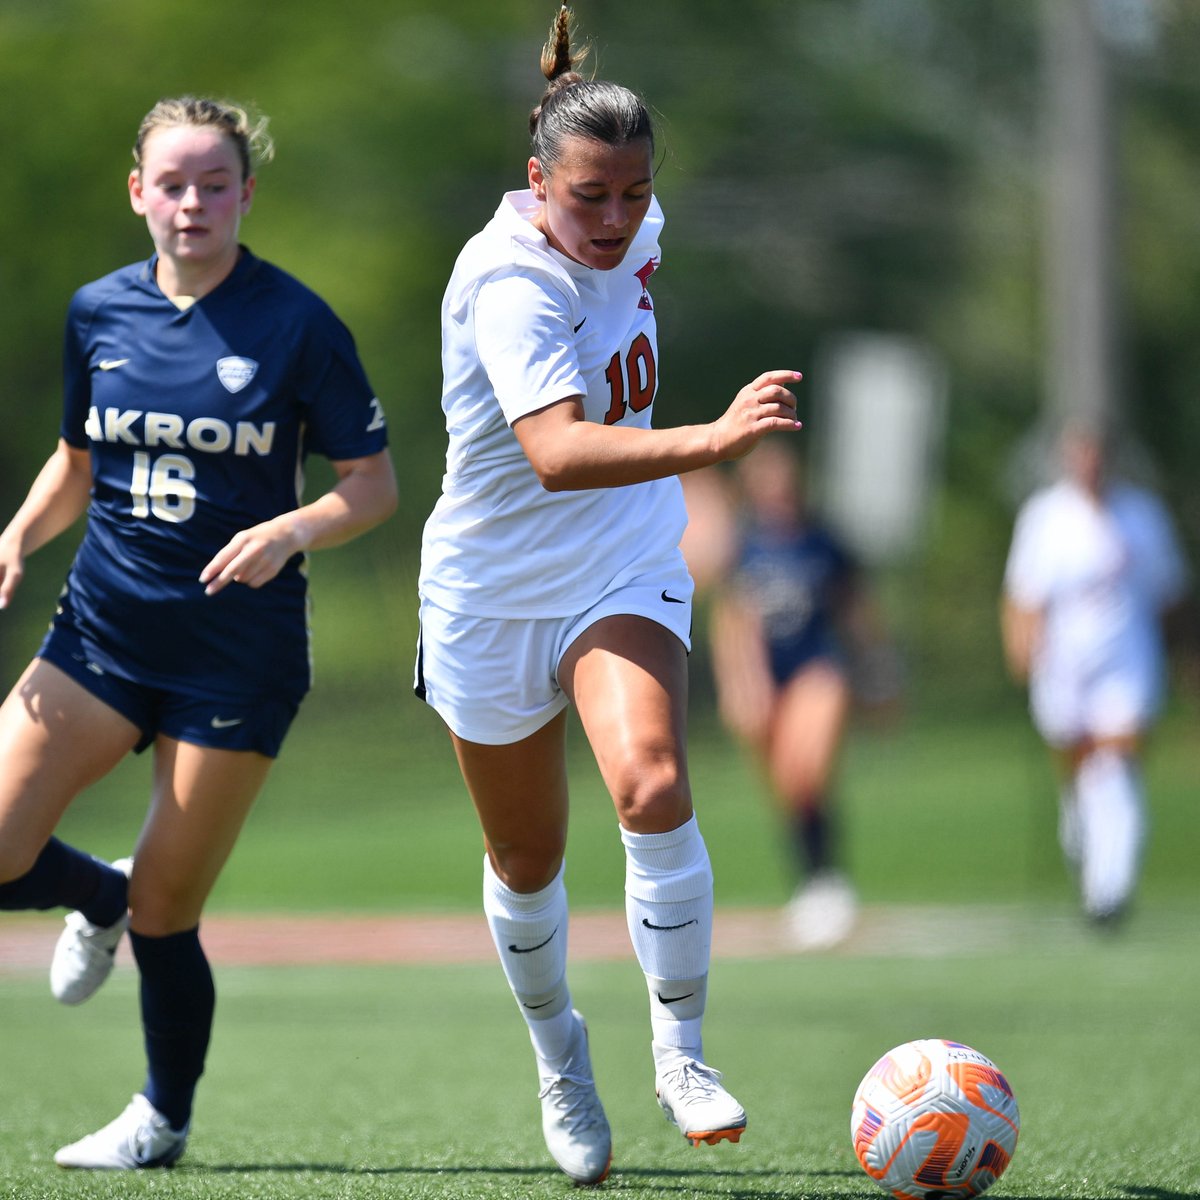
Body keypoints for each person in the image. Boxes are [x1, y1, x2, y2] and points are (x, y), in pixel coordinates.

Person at [414, 6, 802, 1185]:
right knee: (527, 859)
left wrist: (688, 467)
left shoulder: (634, 221)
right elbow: (556, 454)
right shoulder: (507, 283)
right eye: (590, 197)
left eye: (636, 194)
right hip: (488, 594)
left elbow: (600, 473)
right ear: (538, 181)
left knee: (652, 779)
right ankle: (558, 1055)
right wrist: (715, 441)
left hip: (621, 561)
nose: (619, 218)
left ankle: (680, 1055)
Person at [0, 96, 397, 1169]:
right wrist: (20, 534)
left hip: (237, 654)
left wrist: (291, 528)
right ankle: (95, 894)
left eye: (213, 184)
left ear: (245, 194)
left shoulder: (298, 323)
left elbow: (371, 487)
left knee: (170, 911)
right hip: (101, 634)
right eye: (171, 184)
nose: (191, 203)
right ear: (138, 193)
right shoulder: (98, 313)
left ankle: (160, 1122)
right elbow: (79, 462)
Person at [683, 444, 900, 952]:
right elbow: (733, 620)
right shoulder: (746, 545)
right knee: (789, 785)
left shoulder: (823, 540)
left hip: (817, 666)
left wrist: (880, 671)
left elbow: (856, 609)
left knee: (809, 767)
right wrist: (741, 684)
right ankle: (816, 882)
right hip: (767, 676)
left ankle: (828, 883)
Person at [1001, 416, 1190, 926]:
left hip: (1127, 659)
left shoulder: (1142, 516)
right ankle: (1083, 837)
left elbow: (1169, 593)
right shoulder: (1046, 517)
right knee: (1082, 767)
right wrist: (1020, 648)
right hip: (1064, 663)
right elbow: (1024, 595)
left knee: (1117, 764)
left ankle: (1111, 885)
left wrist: (1183, 657)